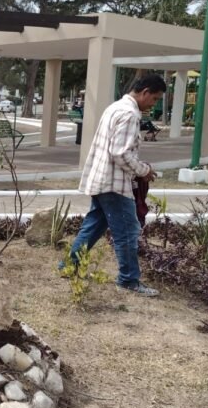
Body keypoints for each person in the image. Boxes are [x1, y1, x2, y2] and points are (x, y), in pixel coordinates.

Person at [61, 74, 165, 297]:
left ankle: (70, 267)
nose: (153, 104)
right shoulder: (129, 114)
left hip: (102, 179)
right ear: (145, 92)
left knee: (93, 227)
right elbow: (120, 153)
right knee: (128, 232)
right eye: (154, 99)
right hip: (114, 184)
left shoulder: (115, 107)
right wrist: (143, 171)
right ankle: (128, 280)